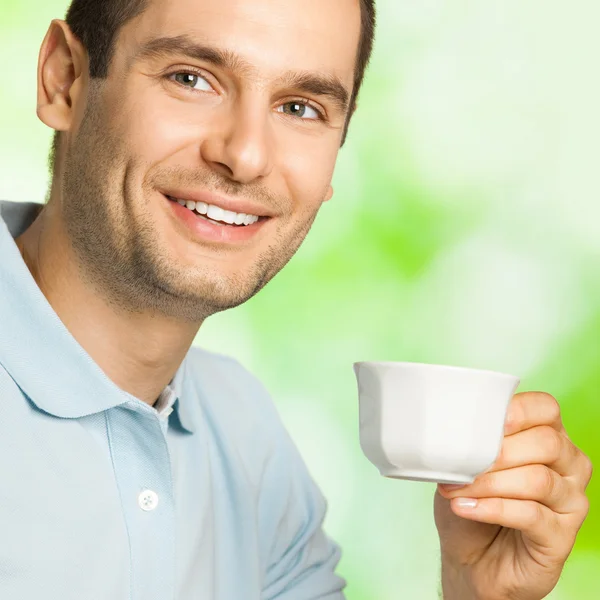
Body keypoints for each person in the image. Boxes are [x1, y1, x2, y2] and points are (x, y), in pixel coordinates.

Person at [0, 0, 592, 598]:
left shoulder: (245, 434)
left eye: (300, 108)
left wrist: (477, 593)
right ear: (64, 79)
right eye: (190, 78)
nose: (246, 156)